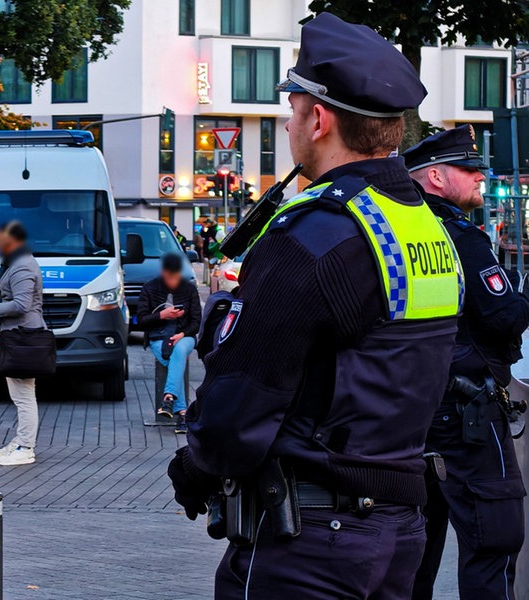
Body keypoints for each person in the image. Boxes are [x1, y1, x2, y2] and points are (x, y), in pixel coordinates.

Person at [167, 13, 462, 598]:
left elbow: (245, 399)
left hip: (310, 543)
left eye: (293, 108)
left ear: (320, 119)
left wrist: (195, 470)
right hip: (400, 529)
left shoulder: (315, 236)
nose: (286, 122)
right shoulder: (424, 227)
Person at [405, 126, 529, 599]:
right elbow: (503, 319)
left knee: (411, 550)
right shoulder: (462, 238)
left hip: (408, 414)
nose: (480, 177)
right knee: (492, 542)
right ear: (435, 176)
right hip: (468, 417)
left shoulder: (398, 235)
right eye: (468, 169)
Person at [0, 221, 44, 467]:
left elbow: (21, 304)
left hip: (23, 337)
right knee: (21, 394)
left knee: (24, 396)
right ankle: (20, 440)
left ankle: (26, 447)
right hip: (17, 336)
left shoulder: (22, 267)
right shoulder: (15, 263)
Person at [136, 253, 200, 430]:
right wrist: (162, 315)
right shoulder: (150, 288)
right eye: (169, 277)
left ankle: (169, 397)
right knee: (175, 361)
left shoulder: (189, 289)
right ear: (163, 273)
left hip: (185, 336)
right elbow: (141, 320)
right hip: (158, 337)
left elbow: (196, 322)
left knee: (178, 351)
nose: (173, 281)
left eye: (176, 277)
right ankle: (183, 414)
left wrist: (182, 334)